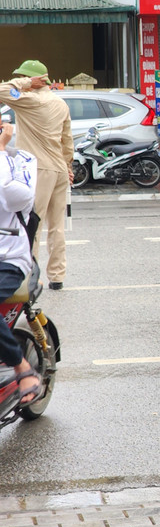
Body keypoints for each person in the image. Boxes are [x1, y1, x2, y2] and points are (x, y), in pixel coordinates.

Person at [0, 61, 73, 290]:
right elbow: (67, 140)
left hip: (38, 169)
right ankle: (57, 276)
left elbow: (2, 90)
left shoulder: (31, 100)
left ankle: (31, 276)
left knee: (31, 223)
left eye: (23, 76)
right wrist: (68, 167)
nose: (22, 80)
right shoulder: (60, 104)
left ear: (34, 79)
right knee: (57, 225)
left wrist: (25, 83)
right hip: (59, 168)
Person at [0, 121, 40, 404]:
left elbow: (14, 198)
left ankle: (21, 366)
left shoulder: (20, 161)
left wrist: (1, 150)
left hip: (8, 259)